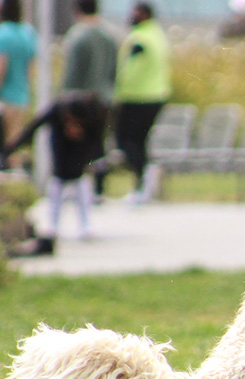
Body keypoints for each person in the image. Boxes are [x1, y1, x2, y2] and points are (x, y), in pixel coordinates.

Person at [3, 92, 108, 248]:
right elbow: (34, 126)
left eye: (78, 124)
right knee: (59, 175)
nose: (74, 128)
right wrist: (10, 150)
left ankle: (86, 225)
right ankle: (53, 225)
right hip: (60, 143)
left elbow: (98, 143)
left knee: (79, 175)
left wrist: (94, 160)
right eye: (71, 123)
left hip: (83, 147)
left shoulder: (94, 115)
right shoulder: (58, 110)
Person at [112, 2, 171, 204]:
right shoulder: (158, 34)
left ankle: (143, 179)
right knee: (139, 142)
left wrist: (117, 88)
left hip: (137, 96)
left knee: (126, 140)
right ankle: (145, 178)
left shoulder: (141, 38)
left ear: (145, 15)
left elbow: (130, 69)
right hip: (156, 94)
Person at [62, 0, 118, 202]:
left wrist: (66, 98)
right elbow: (114, 68)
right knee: (99, 144)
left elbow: (72, 72)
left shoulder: (78, 36)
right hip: (105, 96)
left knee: (78, 144)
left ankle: (76, 184)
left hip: (82, 99)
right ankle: (99, 188)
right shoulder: (110, 35)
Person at [0, 0, 37, 146]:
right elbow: (30, 67)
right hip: (22, 96)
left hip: (6, 97)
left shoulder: (4, 34)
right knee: (14, 140)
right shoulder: (28, 33)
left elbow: (2, 66)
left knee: (6, 144)